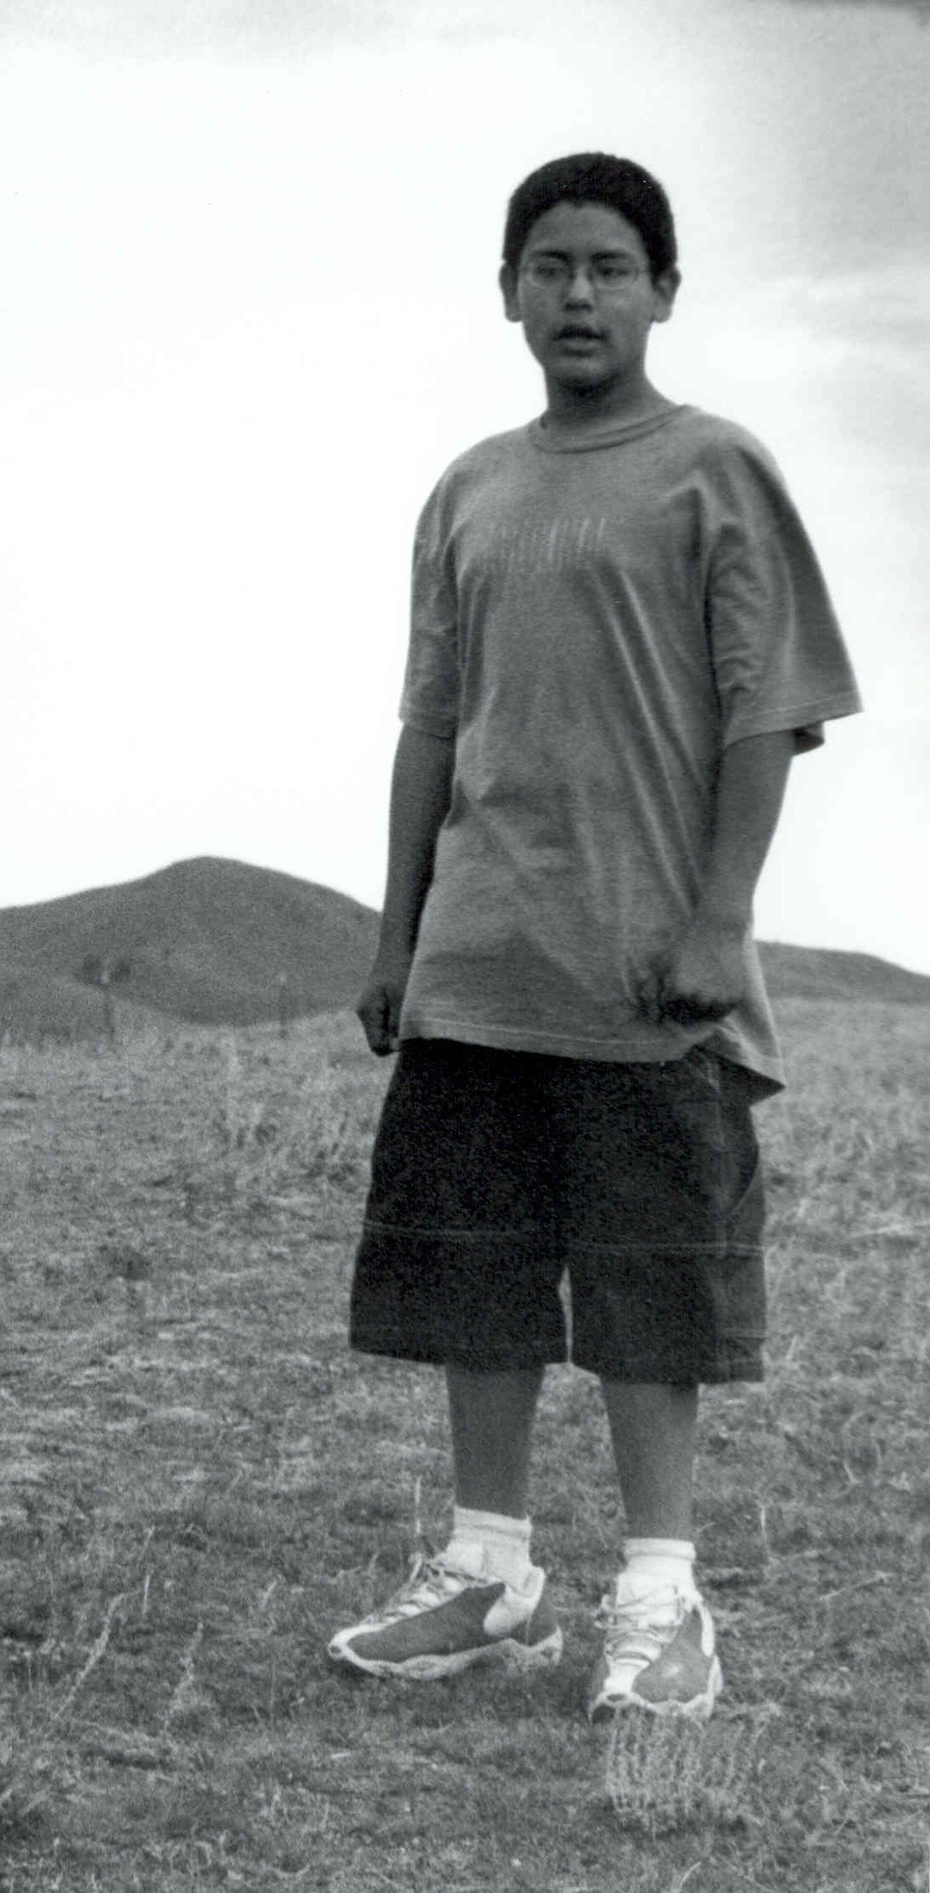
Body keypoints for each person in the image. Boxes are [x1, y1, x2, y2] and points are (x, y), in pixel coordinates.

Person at [328, 153, 861, 1721]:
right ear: (507, 291)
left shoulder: (717, 469)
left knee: (649, 1290)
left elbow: (771, 711)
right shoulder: (471, 486)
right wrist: (396, 935)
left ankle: (660, 1593)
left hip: (648, 972)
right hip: (481, 966)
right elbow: (432, 723)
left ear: (663, 292)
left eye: (609, 267)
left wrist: (720, 915)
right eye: (549, 265)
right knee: (475, 1281)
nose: (577, 292)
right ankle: (489, 1570)